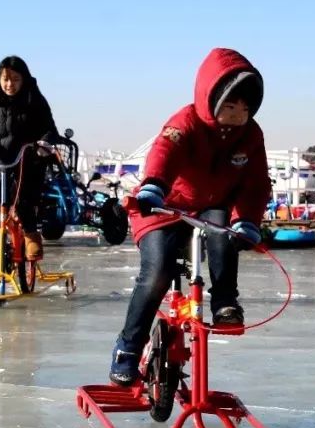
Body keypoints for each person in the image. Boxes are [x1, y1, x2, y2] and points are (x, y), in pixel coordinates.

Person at [108, 47, 270, 386]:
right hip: (165, 206)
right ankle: (128, 349)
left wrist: (249, 219)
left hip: (212, 208)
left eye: (245, 108)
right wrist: (154, 185)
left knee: (223, 230)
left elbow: (255, 183)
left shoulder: (251, 136)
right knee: (157, 272)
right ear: (212, 100)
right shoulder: (186, 122)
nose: (239, 114)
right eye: (231, 105)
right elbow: (165, 152)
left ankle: (225, 303)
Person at [0, 56, 60, 266]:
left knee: (24, 200)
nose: (9, 84)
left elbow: (50, 128)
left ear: (23, 79)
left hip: (29, 159)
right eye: (5, 79)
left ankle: (31, 234)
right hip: (0, 160)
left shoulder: (34, 99)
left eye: (15, 79)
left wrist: (44, 143)